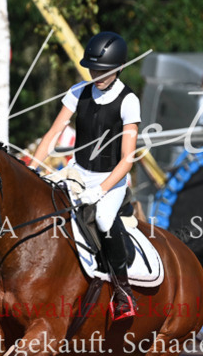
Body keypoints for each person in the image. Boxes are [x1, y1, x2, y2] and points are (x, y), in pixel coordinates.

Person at [32, 31, 139, 320]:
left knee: (103, 218)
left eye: (103, 71)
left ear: (118, 69)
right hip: (77, 172)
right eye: (93, 69)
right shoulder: (78, 92)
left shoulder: (129, 101)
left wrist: (101, 189)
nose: (97, 75)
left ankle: (122, 292)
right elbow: (52, 135)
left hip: (112, 177)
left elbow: (127, 160)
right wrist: (31, 168)